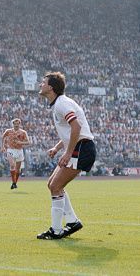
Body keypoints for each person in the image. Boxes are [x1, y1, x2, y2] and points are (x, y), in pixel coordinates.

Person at [37, 72, 96, 240]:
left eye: (43, 82)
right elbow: (71, 131)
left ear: (51, 87)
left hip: (81, 148)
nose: (40, 85)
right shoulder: (60, 103)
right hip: (79, 146)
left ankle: (55, 231)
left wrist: (68, 152)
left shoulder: (61, 104)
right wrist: (57, 147)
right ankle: (72, 221)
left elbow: (76, 127)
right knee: (52, 184)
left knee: (55, 186)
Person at [1, 118, 30, 190]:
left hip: (19, 150)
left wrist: (21, 143)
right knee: (12, 165)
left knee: (18, 170)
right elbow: (3, 137)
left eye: (18, 124)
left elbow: (28, 142)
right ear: (13, 124)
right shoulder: (8, 131)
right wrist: (3, 146)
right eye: (15, 124)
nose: (16, 125)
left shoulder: (23, 132)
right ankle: (14, 182)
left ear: (20, 124)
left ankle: (14, 183)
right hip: (10, 149)